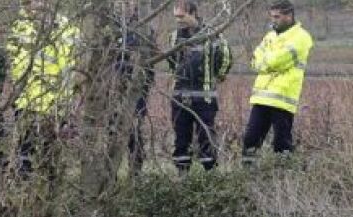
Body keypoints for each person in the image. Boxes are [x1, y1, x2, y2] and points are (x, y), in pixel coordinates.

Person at [7, 0, 81, 177]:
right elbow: (12, 62)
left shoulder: (67, 26)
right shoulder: (19, 26)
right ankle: (24, 193)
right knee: (25, 157)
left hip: (55, 103)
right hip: (27, 102)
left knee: (50, 161)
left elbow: (73, 61)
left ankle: (45, 194)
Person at [242, 0, 312, 165]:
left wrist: (265, 62)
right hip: (262, 97)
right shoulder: (270, 36)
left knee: (281, 144)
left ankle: (285, 178)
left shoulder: (302, 37)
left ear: (289, 16)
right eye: (272, 16)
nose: (273, 20)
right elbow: (254, 60)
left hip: (283, 98)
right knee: (250, 139)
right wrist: (267, 62)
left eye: (277, 17)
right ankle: (246, 176)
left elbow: (276, 61)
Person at [168, 0, 232, 171]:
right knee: (181, 140)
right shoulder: (174, 36)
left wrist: (216, 77)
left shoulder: (212, 34)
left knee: (206, 139)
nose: (178, 20)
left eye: (182, 16)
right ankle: (182, 176)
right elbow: (172, 63)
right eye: (176, 17)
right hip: (180, 98)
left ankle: (210, 176)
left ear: (193, 13)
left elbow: (225, 58)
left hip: (205, 99)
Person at [114, 0, 156, 173]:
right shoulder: (110, 26)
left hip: (135, 89)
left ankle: (135, 173)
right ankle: (111, 175)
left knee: (134, 132)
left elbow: (149, 64)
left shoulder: (144, 29)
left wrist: (142, 87)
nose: (125, 5)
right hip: (111, 88)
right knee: (111, 131)